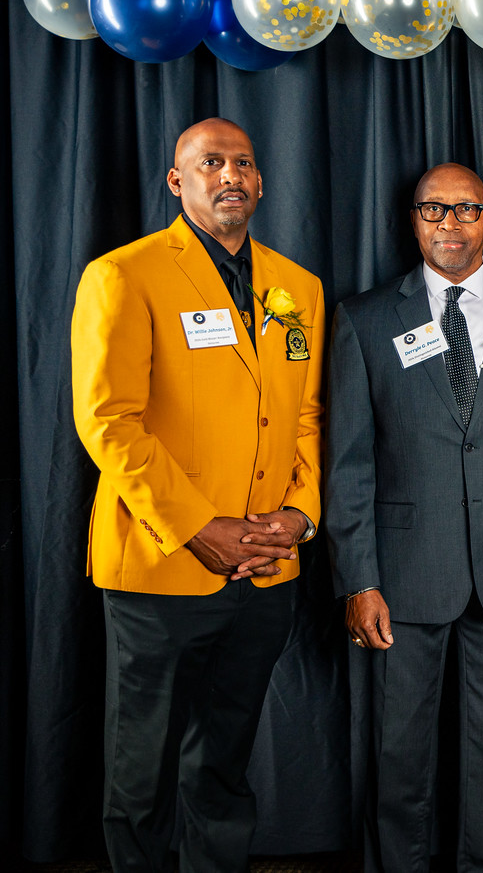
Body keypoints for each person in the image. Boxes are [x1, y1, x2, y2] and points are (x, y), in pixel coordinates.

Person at [71, 117, 325, 872]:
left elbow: (307, 417)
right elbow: (107, 421)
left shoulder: (296, 286)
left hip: (265, 571)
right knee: (141, 771)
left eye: (243, 161)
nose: (231, 175)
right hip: (160, 566)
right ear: (178, 181)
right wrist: (196, 526)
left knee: (223, 763)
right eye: (211, 162)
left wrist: (299, 516)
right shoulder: (126, 273)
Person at [324, 163, 483, 873]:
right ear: (414, 220)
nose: (449, 224)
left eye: (466, 209)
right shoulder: (364, 318)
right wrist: (358, 578)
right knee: (401, 749)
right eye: (434, 210)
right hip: (403, 573)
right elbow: (349, 463)